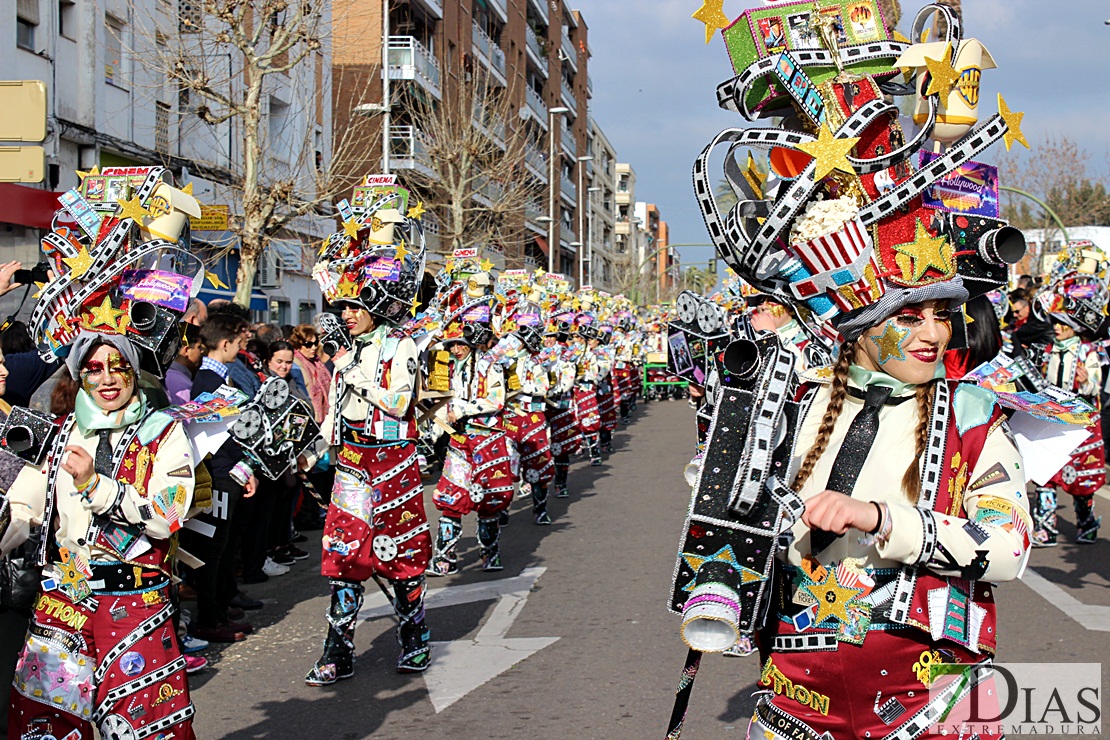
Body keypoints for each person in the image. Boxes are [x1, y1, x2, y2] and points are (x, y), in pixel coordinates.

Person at [303, 180, 433, 683]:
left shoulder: (402, 346)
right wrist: (315, 448)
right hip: (352, 464)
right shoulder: (343, 354)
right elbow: (335, 415)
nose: (348, 316)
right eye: (343, 308)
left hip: (394, 458)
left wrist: (353, 372)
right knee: (343, 555)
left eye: (356, 307)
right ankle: (337, 651)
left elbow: (400, 402)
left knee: (401, 555)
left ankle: (415, 638)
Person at [181, 313, 260, 642]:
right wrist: (240, 468)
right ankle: (209, 618)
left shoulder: (217, 378)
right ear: (224, 344)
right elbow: (219, 437)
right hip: (217, 474)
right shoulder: (208, 383)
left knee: (222, 548)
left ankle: (219, 607)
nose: (240, 346)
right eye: (236, 342)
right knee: (212, 551)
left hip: (227, 472)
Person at [430, 306, 513, 574]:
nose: (455, 350)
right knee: (450, 495)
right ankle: (445, 558)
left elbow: (496, 400)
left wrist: (463, 409)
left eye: (459, 344)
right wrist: (432, 430)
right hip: (459, 440)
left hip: (487, 439)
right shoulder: (451, 369)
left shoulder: (491, 364)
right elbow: (445, 403)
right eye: (452, 345)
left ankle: (490, 554)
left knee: (488, 499)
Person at [289, 323, 331, 424]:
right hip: (308, 416)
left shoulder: (317, 362)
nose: (314, 347)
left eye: (316, 343)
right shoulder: (295, 363)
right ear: (298, 345)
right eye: (308, 344)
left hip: (323, 418)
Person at [165, 323, 204, 405]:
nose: (202, 351)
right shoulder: (180, 383)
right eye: (199, 347)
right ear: (186, 350)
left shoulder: (171, 375)